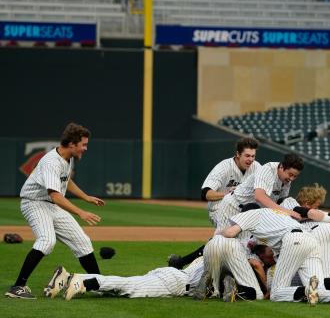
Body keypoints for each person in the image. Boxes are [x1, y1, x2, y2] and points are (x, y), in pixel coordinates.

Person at [5, 122, 104, 299]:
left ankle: (100, 284)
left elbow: (66, 181)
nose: (85, 148)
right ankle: (17, 287)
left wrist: (86, 197)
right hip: (34, 203)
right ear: (72, 143)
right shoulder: (51, 162)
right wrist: (81, 212)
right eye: (84, 144)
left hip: (51, 205)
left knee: (82, 241)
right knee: (47, 240)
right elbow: (55, 195)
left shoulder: (67, 158)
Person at [168, 137, 260, 269]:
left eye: (253, 156)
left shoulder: (256, 167)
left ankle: (180, 262)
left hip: (242, 210)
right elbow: (205, 193)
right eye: (247, 155)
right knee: (226, 238)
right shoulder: (223, 167)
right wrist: (228, 194)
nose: (250, 159)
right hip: (219, 209)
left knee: (247, 238)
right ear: (238, 154)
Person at [45, 257, 205, 301]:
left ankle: (67, 278)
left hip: (171, 275)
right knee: (129, 286)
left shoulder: (209, 253)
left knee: (126, 285)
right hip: (177, 282)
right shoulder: (218, 258)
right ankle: (83, 284)